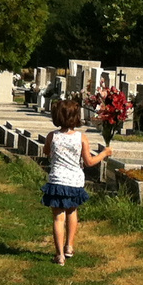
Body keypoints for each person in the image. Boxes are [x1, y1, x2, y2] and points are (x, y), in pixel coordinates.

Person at [42, 99, 112, 265]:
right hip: (74, 181)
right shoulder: (82, 138)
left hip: (57, 180)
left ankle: (59, 255)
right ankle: (69, 246)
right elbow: (88, 162)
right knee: (72, 213)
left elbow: (46, 152)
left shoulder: (52, 136)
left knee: (58, 218)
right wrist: (104, 153)